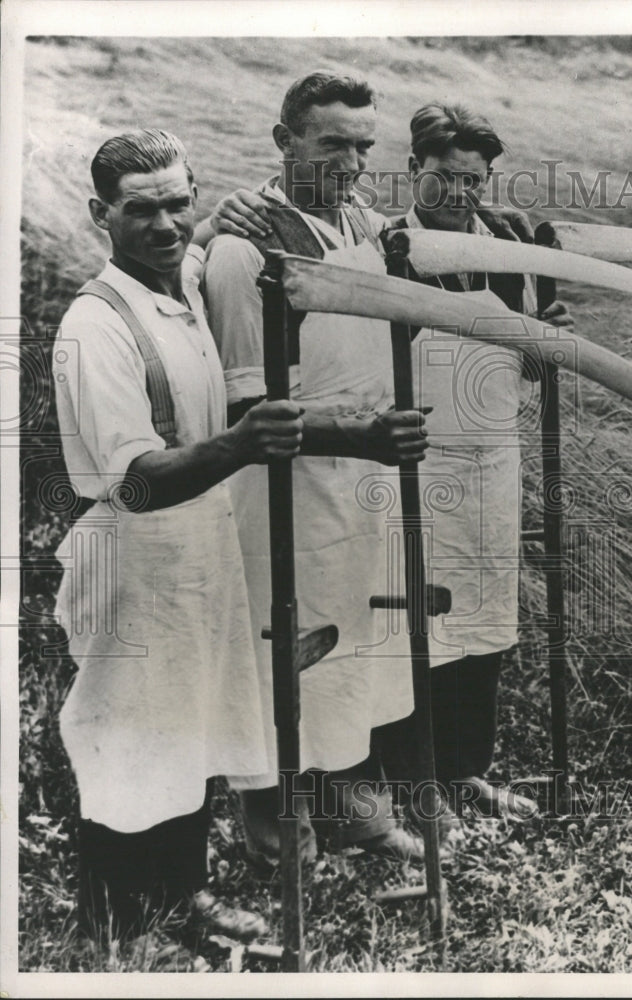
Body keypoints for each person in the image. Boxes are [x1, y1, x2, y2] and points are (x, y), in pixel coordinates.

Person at [204, 101, 574, 826]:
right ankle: (407, 781)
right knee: (416, 625)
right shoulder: (387, 243)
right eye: (445, 179)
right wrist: (223, 210)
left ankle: (462, 770)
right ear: (414, 172)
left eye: (474, 182)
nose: (459, 194)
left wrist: (546, 339)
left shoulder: (503, 245)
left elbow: (527, 358)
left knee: (482, 622)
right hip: (410, 462)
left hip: (488, 468)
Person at [53, 129, 304, 943]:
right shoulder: (96, 326)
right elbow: (132, 479)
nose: (163, 224)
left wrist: (224, 215)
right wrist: (241, 442)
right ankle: (117, 922)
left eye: (176, 203)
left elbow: (201, 246)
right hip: (134, 556)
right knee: (129, 734)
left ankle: (178, 898)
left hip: (198, 548)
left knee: (186, 726)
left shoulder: (182, 278)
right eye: (139, 210)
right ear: (101, 215)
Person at [195, 72, 430, 871]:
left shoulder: (364, 225)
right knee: (288, 659)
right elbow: (245, 412)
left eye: (364, 145)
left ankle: (359, 820)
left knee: (358, 652)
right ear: (284, 140)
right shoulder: (245, 247)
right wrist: (364, 434)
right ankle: (279, 840)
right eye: (333, 143)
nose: (353, 161)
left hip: (362, 486)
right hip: (283, 494)